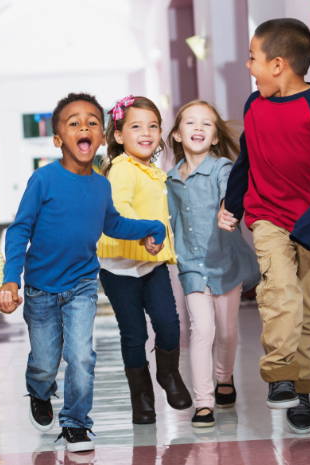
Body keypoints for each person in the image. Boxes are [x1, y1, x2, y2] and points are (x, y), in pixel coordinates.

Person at [0, 92, 166, 452]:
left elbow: (113, 224)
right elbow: (19, 230)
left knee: (82, 357)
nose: (84, 127)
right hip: (40, 289)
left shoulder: (101, 185)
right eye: (74, 123)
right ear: (58, 140)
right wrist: (11, 278)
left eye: (92, 122)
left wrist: (152, 227)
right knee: (44, 362)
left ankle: (75, 422)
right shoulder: (43, 180)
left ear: (101, 137)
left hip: (83, 285)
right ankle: (39, 390)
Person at [219, 18, 310, 434]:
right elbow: (246, 160)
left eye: (252, 58)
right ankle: (279, 374)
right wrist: (234, 204)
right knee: (280, 293)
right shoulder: (253, 106)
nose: (248, 66)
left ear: (278, 64)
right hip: (269, 220)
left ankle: (302, 390)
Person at [97, 95, 191, 425]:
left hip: (150, 263)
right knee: (134, 333)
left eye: (153, 126)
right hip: (118, 267)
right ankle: (142, 396)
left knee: (168, 323)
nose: (147, 133)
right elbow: (121, 209)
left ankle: (168, 374)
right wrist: (145, 233)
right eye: (136, 126)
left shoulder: (152, 170)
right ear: (119, 135)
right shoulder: (121, 168)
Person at [166, 100, 260, 428]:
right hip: (191, 263)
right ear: (177, 135)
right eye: (190, 123)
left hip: (225, 262)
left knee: (228, 331)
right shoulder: (171, 179)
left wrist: (226, 208)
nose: (198, 129)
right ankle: (203, 402)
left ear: (216, 135)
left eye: (206, 124)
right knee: (201, 329)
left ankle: (224, 377)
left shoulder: (222, 168)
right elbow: (170, 219)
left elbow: (230, 193)